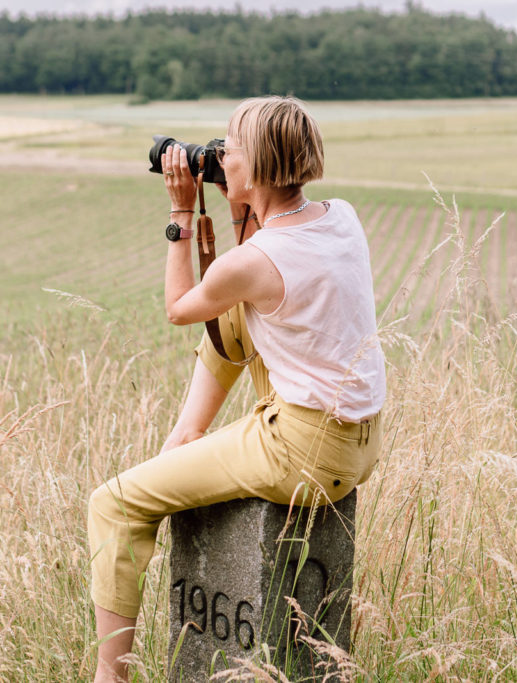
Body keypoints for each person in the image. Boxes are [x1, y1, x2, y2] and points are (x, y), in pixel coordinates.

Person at [87, 96, 386, 683]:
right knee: (231, 319)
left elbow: (180, 308)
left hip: (300, 450)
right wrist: (239, 201)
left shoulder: (254, 261)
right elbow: (257, 269)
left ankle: (109, 676)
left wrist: (179, 211)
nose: (219, 156)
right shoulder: (341, 216)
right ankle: (189, 431)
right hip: (357, 443)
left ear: (260, 165)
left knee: (114, 504)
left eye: (231, 149)